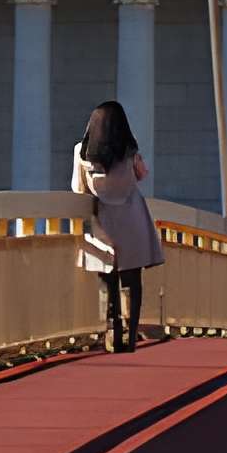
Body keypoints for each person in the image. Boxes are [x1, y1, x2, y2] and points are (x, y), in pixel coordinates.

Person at [73, 100, 164, 353]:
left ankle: (112, 331)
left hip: (103, 221)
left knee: (108, 280)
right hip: (132, 217)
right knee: (132, 279)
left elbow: (77, 188)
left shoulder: (82, 151)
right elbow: (142, 174)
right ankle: (131, 334)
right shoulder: (129, 149)